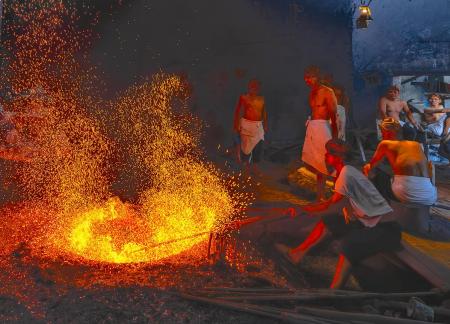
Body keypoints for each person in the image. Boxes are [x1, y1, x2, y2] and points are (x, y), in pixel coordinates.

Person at [276, 139, 400, 289]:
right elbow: (343, 202)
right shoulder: (346, 172)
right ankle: (296, 254)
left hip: (385, 228)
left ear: (338, 157)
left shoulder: (347, 173)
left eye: (329, 154)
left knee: (350, 243)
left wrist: (303, 209)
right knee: (329, 221)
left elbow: (330, 205)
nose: (326, 156)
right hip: (368, 221)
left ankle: (334, 289)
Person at [363, 118, 437, 206]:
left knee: (369, 168)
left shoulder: (385, 144)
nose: (382, 136)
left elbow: (372, 167)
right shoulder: (416, 145)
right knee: (430, 165)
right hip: (430, 196)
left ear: (387, 132)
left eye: (382, 133)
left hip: (405, 195)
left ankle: (380, 207)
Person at [302, 66, 338, 201]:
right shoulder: (312, 92)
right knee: (317, 164)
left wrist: (335, 138)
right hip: (313, 129)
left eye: (310, 76)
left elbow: (334, 117)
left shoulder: (328, 92)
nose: (307, 80)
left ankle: (337, 192)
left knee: (330, 161)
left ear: (318, 76)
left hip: (324, 129)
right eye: (305, 77)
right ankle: (321, 195)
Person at [233, 79, 267, 174]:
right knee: (246, 146)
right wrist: (236, 124)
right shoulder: (244, 97)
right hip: (247, 124)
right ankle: (246, 165)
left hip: (258, 125)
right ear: (249, 87)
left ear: (259, 88)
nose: (254, 88)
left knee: (258, 144)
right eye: (252, 86)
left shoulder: (261, 99)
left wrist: (265, 124)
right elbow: (238, 111)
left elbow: (264, 112)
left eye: (256, 86)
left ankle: (255, 166)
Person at [321, 74, 348, 141]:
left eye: (328, 78)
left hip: (338, 114)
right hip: (326, 117)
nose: (326, 81)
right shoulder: (322, 91)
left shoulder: (337, 89)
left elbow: (344, 102)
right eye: (324, 79)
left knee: (338, 137)